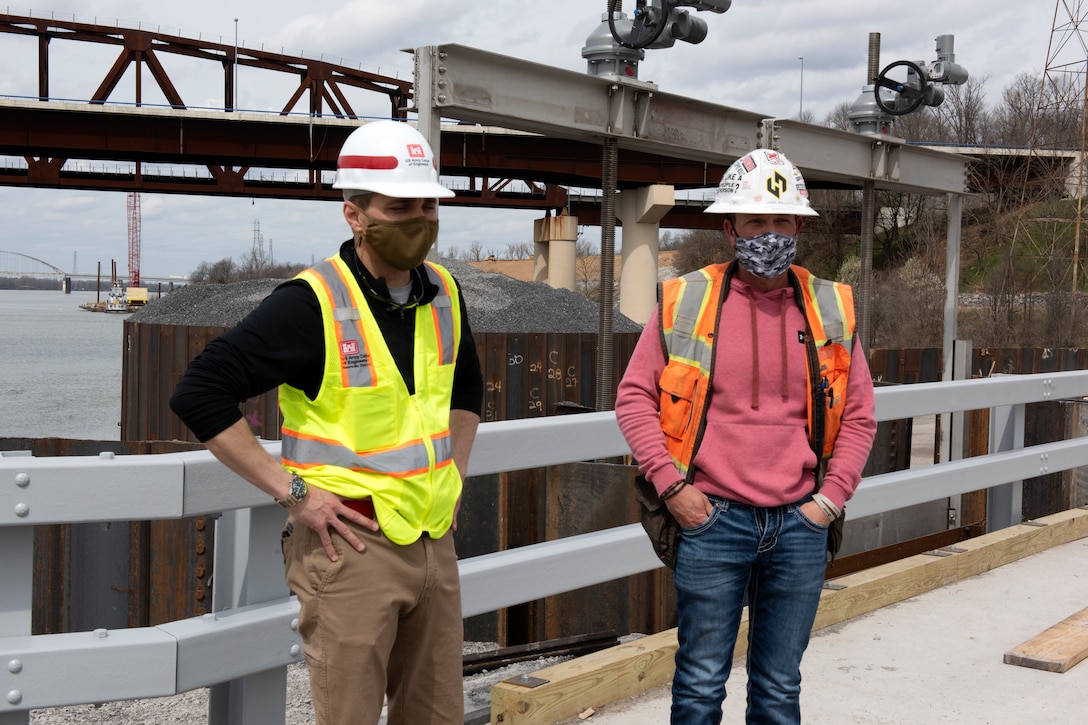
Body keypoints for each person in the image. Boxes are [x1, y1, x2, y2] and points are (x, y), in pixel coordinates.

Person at [170, 120, 483, 725]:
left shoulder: (443, 290)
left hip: (431, 540)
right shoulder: (310, 302)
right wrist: (294, 494)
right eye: (400, 207)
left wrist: (453, 474)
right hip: (348, 547)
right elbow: (200, 392)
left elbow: (466, 390)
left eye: (428, 205)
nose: (419, 219)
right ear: (354, 214)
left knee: (437, 715)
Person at [615, 148, 876, 724]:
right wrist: (673, 489)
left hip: (799, 525)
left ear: (800, 226)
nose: (770, 234)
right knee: (701, 684)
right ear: (729, 228)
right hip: (712, 520)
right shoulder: (686, 301)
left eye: (783, 221)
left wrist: (828, 503)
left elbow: (858, 415)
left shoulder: (830, 307)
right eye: (756, 221)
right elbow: (635, 398)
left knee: (780, 689)